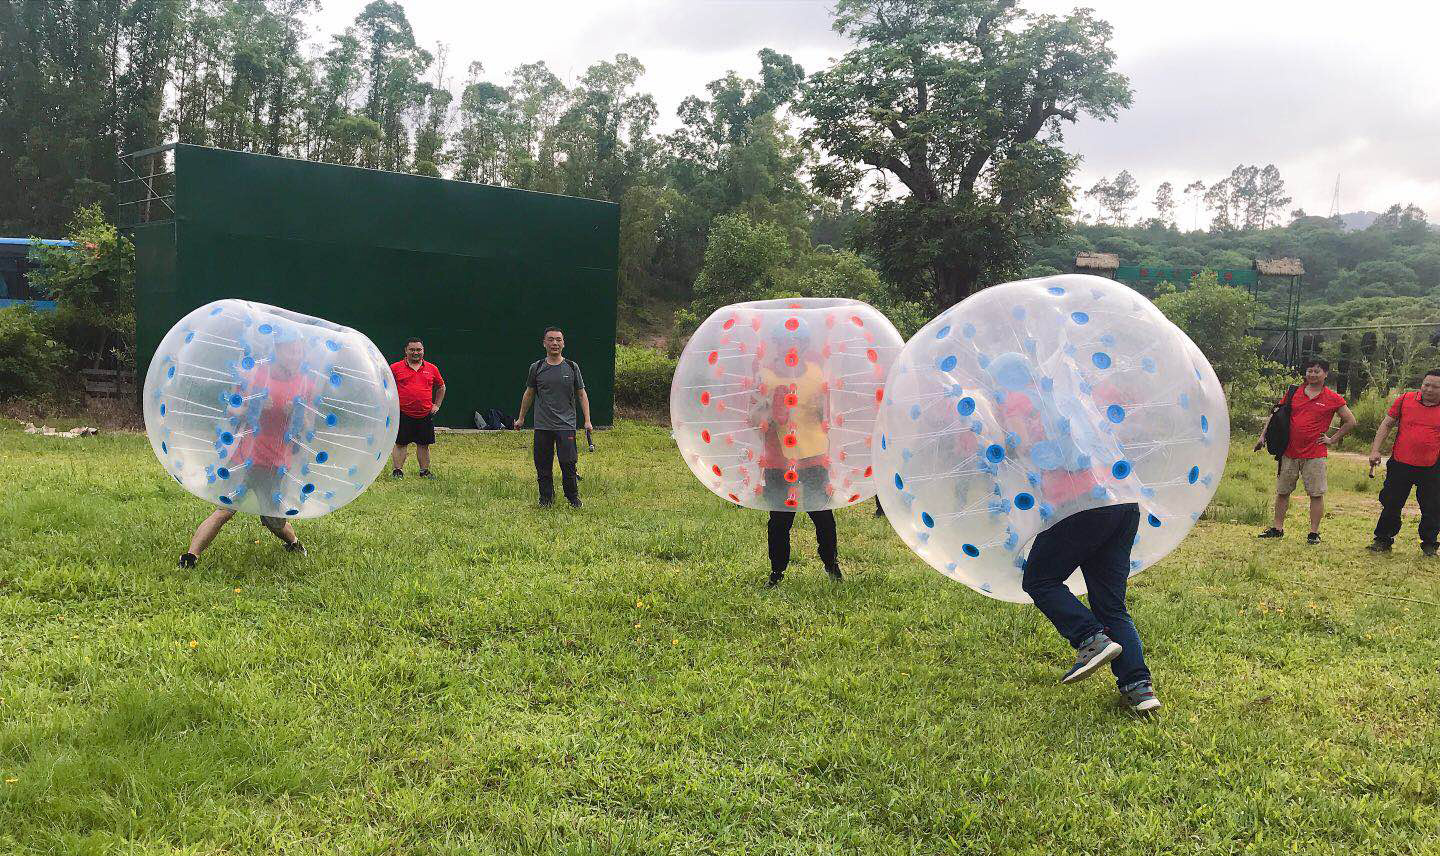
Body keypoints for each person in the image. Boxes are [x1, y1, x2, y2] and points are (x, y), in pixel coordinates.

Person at [178, 337, 311, 568]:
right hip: (246, 459)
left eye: (299, 351)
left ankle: (294, 543)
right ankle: (190, 556)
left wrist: (297, 413)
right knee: (225, 510)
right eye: (291, 350)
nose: (295, 356)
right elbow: (232, 407)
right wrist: (253, 407)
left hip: (276, 462)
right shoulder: (256, 375)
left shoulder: (304, 383)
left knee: (274, 520)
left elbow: (308, 425)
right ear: (277, 350)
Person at [1021, 504, 1158, 712]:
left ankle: (1090, 638)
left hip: (1079, 503)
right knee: (1111, 607)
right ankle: (1139, 689)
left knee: (1039, 581)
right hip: (1124, 505)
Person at [755, 340, 842, 588]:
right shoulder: (766, 376)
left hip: (813, 454)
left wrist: (822, 406)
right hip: (779, 459)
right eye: (785, 342)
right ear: (776, 345)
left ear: (804, 345)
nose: (791, 348)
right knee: (780, 518)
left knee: (823, 514)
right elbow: (753, 416)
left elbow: (829, 409)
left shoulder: (817, 373)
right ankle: (776, 573)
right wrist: (771, 409)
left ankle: (831, 565)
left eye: (797, 342)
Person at [1253, 358, 1356, 544]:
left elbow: (1350, 421)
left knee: (1316, 494)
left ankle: (1313, 533)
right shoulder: (1294, 392)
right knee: (1283, 491)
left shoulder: (1333, 398)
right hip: (1289, 451)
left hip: (1315, 454)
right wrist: (1263, 436)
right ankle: (1277, 528)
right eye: (1309, 371)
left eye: (1317, 371)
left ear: (1325, 374)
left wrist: (1332, 440)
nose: (1312, 374)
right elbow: (1275, 414)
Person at [514, 326, 592, 507]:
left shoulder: (572, 367)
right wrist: (521, 418)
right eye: (551, 339)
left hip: (566, 426)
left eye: (558, 340)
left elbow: (581, 394)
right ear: (544, 343)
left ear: (563, 343)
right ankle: (546, 499)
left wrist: (587, 421)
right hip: (542, 426)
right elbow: (529, 393)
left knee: (568, 463)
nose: (554, 343)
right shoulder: (537, 367)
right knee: (542, 465)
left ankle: (573, 498)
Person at [1366, 369, 1440, 554]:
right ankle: (1383, 539)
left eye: (1435, 386)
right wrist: (1375, 450)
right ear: (1421, 384)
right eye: (1426, 385)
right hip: (1400, 463)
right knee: (1391, 502)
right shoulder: (1405, 400)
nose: (1429, 389)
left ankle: (1430, 543)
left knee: (1432, 506)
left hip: (1431, 465)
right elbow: (1387, 424)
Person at [389, 338, 445, 479]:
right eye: (412, 350)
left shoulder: (432, 369)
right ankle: (398, 471)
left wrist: (436, 405)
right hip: (403, 413)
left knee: (423, 444)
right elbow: (386, 387)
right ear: (406, 351)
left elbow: (441, 386)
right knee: (400, 443)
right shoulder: (395, 368)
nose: (415, 352)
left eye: (418, 350)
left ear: (423, 351)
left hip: (425, 414)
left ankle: (424, 471)